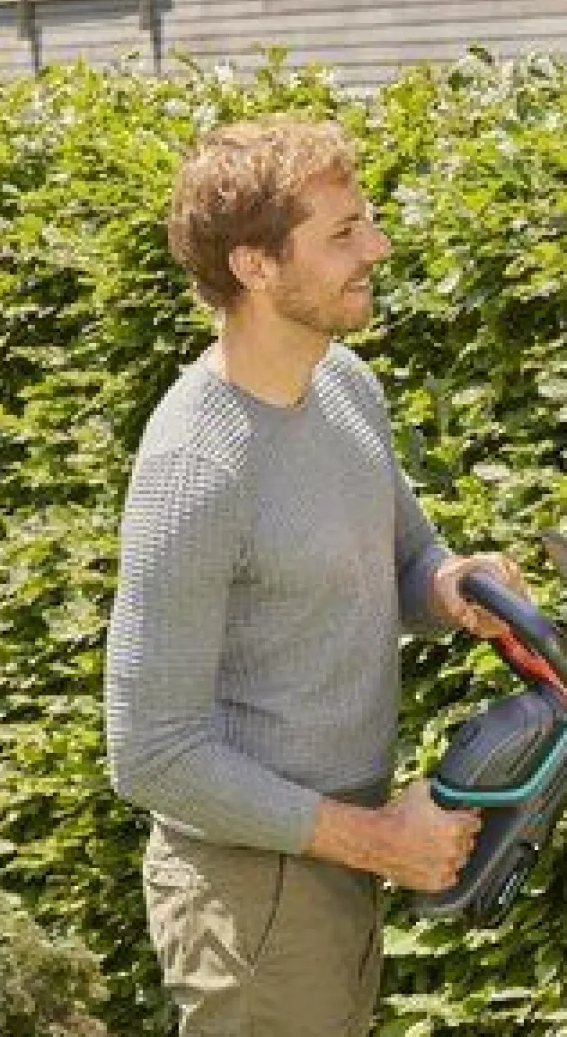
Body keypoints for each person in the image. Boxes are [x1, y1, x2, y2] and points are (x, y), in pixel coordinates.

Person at [105, 116, 529, 1036]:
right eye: (343, 234)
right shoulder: (196, 463)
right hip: (253, 893)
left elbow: (406, 559)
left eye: (365, 221)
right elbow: (151, 751)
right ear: (255, 265)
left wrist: (456, 587)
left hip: (335, 861)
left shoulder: (344, 387)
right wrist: (379, 842)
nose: (376, 248)